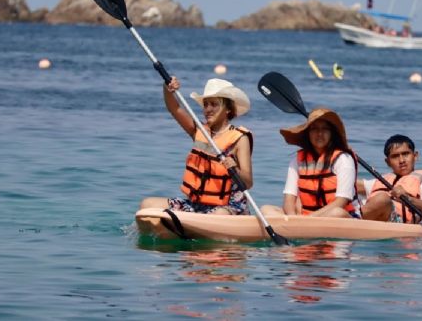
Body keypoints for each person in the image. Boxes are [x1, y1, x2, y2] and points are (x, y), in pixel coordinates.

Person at [139, 77, 253, 215]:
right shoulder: (199, 131)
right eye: (205, 104)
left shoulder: (240, 138)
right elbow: (174, 109)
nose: (208, 109)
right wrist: (167, 89)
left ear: (228, 109)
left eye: (214, 104)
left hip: (228, 207)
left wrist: (234, 168)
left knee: (218, 215)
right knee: (148, 204)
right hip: (196, 205)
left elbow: (248, 182)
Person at [261, 108, 362, 218]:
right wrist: (292, 216)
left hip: (340, 216)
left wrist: (310, 219)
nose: (319, 133)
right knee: (266, 209)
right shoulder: (298, 160)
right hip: (306, 218)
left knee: (337, 212)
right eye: (314, 129)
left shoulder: (343, 159)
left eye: (325, 129)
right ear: (308, 134)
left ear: (332, 134)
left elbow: (341, 202)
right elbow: (289, 199)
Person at [359, 135, 422, 223]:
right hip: (373, 219)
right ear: (387, 162)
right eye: (395, 156)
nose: (401, 160)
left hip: (399, 223)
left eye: (405, 154)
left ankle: (354, 219)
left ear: (415, 156)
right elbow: (354, 184)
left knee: (382, 199)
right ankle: (351, 218)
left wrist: (408, 198)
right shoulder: (383, 180)